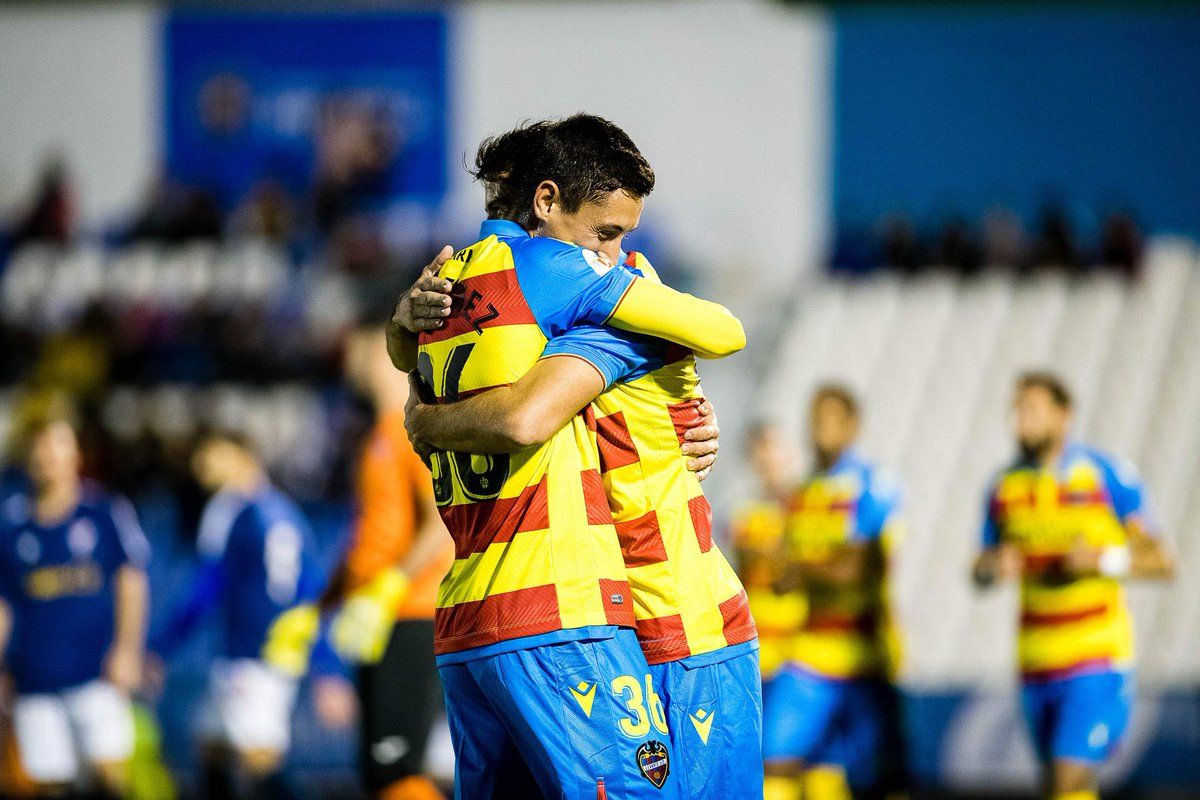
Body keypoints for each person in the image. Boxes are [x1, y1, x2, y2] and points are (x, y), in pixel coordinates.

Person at [395, 117, 761, 798]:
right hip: (586, 613)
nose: (619, 253)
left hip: (477, 619)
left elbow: (402, 354)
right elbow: (722, 330)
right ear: (544, 202)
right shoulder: (587, 288)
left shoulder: (441, 295)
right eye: (607, 234)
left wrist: (422, 410)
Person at [972, 372, 1173, 800]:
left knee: (1068, 774)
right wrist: (993, 566)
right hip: (1037, 662)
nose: (1020, 421)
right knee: (1061, 786)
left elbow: (1161, 561)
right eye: (1016, 410)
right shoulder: (1003, 487)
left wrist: (1104, 560)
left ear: (1064, 417)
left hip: (1095, 658)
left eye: (1032, 409)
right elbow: (979, 566)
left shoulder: (1105, 476)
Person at [315, 319, 454, 800]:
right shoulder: (374, 436)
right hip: (378, 616)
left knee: (399, 768)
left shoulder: (410, 429)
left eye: (361, 350)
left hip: (410, 612)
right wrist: (322, 606)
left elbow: (441, 524)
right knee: (380, 772)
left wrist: (390, 584)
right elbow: (367, 535)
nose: (351, 362)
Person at [152, 430, 320, 800]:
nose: (202, 466)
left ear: (244, 456)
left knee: (258, 758)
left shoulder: (230, 506)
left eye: (213, 455)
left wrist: (161, 646)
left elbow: (207, 586)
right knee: (212, 742)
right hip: (276, 645)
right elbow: (311, 584)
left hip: (253, 647)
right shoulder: (283, 508)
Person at [762, 386, 906, 800]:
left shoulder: (873, 485)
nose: (820, 429)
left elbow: (854, 570)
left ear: (852, 425)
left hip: (864, 652)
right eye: (814, 418)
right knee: (777, 759)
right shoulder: (802, 494)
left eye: (830, 418)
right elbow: (781, 572)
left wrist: (800, 568)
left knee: (877, 777)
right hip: (809, 649)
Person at [0, 402, 149, 798]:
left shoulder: (104, 512)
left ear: (76, 455)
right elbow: (3, 606)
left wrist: (128, 649)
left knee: (108, 777)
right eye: (40, 448)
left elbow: (130, 581)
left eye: (57, 446)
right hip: (35, 678)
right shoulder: (11, 525)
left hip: (96, 672)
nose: (48, 457)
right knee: (50, 786)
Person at [730, 422, 804, 680]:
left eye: (771, 446)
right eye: (758, 450)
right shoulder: (745, 516)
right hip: (760, 649)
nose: (765, 457)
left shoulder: (806, 508)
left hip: (799, 653)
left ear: (790, 451)